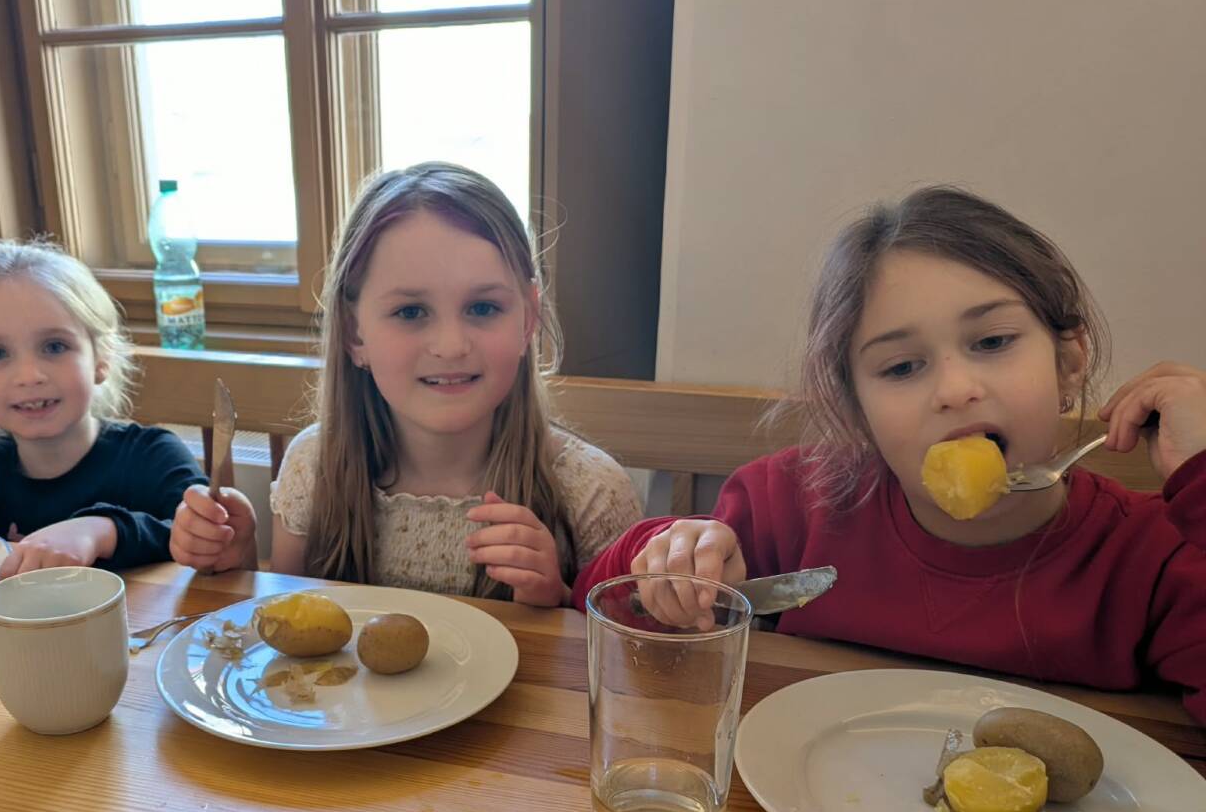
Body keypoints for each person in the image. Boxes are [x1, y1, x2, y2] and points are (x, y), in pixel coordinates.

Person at [574, 186, 1206, 719]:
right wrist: (669, 564)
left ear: (1069, 362)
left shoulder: (1154, 557)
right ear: (857, 410)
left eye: (992, 342)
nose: (955, 389)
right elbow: (594, 607)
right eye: (902, 367)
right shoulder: (786, 509)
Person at [268, 162, 642, 604]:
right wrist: (230, 559)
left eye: (483, 308)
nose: (450, 346)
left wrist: (558, 602)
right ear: (354, 333)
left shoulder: (591, 492)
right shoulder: (313, 468)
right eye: (410, 312)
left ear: (528, 319)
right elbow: (282, 622)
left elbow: (624, 643)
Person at [0, 240, 219, 578]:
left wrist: (104, 530)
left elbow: (206, 539)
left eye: (54, 346)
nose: (29, 376)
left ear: (101, 357)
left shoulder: (153, 456)